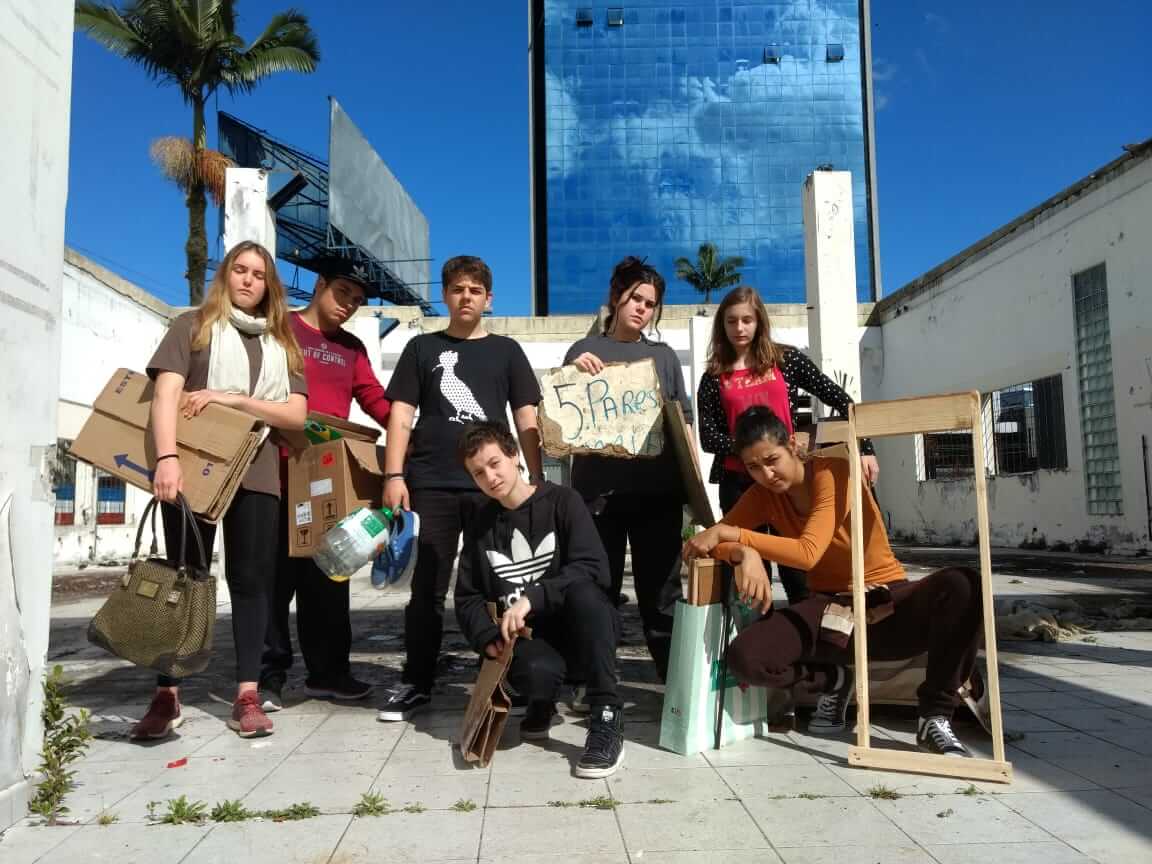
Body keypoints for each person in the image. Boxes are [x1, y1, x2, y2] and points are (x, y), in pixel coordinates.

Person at [683, 406, 983, 757]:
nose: (766, 474)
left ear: (792, 445)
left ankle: (933, 716)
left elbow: (807, 551)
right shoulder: (761, 496)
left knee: (964, 584)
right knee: (746, 658)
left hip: (886, 601)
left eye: (772, 459)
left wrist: (737, 536)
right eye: (753, 467)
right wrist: (742, 555)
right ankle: (833, 681)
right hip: (830, 615)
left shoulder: (834, 471)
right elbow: (706, 544)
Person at [132, 240, 308, 740]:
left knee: (252, 584)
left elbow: (295, 414)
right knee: (183, 581)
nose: (248, 280)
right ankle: (168, 694)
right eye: (240, 270)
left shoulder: (282, 343)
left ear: (269, 286)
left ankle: (246, 695)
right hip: (192, 470)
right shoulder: (193, 326)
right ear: (225, 276)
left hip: (256, 473)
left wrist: (234, 399)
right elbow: (164, 396)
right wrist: (166, 458)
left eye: (259, 274)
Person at [378, 256, 543, 721]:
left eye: (475, 289)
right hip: (431, 485)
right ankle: (417, 681)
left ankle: (501, 675)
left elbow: (525, 418)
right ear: (445, 296)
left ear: (488, 298)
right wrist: (394, 476)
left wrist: (535, 477)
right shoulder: (421, 349)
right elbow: (401, 416)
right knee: (427, 589)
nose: (466, 296)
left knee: (500, 587)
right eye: (457, 289)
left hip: (493, 488)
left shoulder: (508, 351)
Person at [454, 422, 625, 778]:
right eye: (478, 472)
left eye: (495, 462)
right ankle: (540, 702)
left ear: (514, 455)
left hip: (581, 631)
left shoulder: (563, 501)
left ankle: (606, 715)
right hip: (529, 642)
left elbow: (594, 568)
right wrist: (487, 640)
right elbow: (467, 598)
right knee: (536, 672)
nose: (490, 476)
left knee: (587, 595)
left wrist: (534, 596)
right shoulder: (481, 524)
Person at [259, 257, 392, 711]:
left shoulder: (352, 349)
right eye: (342, 294)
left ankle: (329, 673)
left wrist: (412, 429)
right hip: (273, 473)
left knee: (329, 579)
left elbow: (375, 400)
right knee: (272, 582)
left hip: (326, 483)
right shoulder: (279, 328)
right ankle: (267, 678)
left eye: (356, 301)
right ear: (319, 285)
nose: (348, 306)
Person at [697, 285, 880, 605]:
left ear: (759, 322)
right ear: (721, 325)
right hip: (739, 483)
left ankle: (807, 641)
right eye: (731, 321)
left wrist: (865, 448)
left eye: (746, 320)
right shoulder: (714, 376)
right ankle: (760, 643)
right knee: (749, 572)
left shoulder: (786, 360)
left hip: (789, 481)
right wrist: (753, 449)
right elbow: (709, 438)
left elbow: (842, 400)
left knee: (799, 571)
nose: (739, 328)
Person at [564, 256, 693, 681]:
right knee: (598, 591)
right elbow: (561, 417)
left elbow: (683, 425)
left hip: (658, 495)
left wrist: (694, 492)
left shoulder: (665, 357)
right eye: (635, 298)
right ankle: (595, 681)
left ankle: (673, 684)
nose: (642, 307)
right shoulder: (583, 352)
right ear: (616, 298)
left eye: (651, 302)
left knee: (662, 595)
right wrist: (573, 376)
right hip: (598, 497)